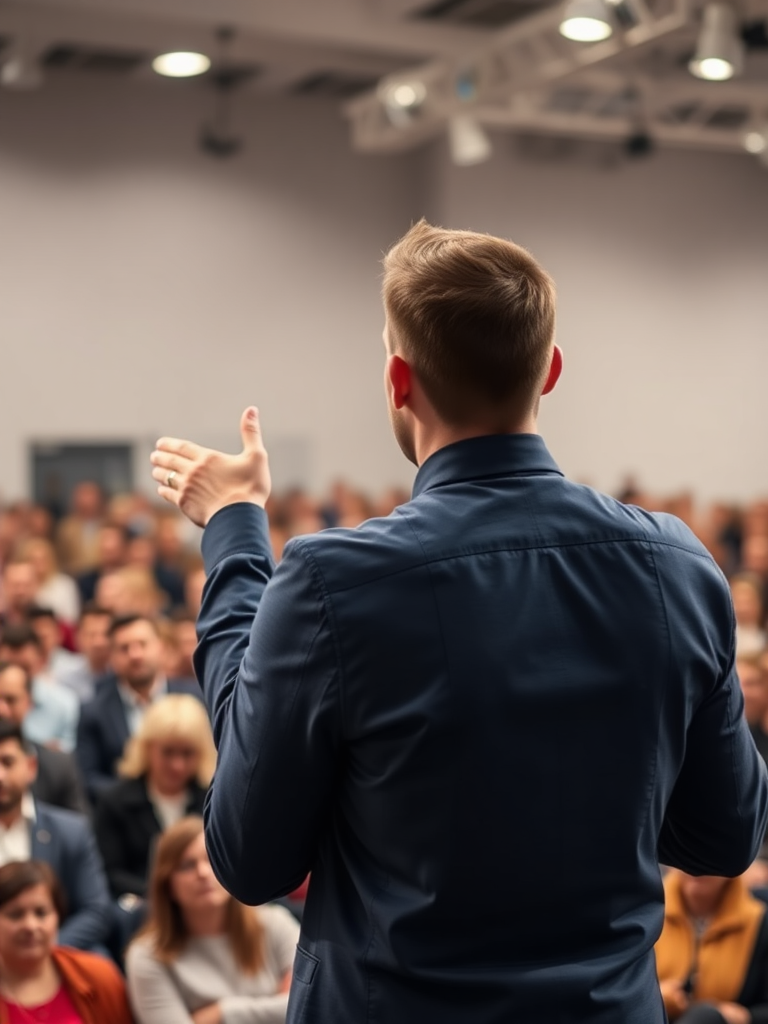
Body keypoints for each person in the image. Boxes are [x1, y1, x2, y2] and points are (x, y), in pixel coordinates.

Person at [150, 220, 768, 1023]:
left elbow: (247, 855)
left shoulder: (333, 583)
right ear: (549, 370)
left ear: (398, 380)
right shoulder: (677, 566)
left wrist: (235, 526)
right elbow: (724, 838)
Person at [125, 816, 298, 1024]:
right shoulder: (147, 956)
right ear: (167, 885)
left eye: (212, 860)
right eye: (187, 865)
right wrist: (275, 1008)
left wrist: (221, 1013)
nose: (203, 873)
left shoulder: (275, 924)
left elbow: (311, 1007)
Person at [0, 721, 111, 950]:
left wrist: (43, 949)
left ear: (31, 767)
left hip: (57, 951)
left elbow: (96, 910)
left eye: (7, 762)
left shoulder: (70, 831)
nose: (0, 775)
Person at [94, 695, 214, 902]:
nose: (178, 765)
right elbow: (109, 872)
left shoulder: (213, 801)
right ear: (147, 749)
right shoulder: (114, 802)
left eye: (187, 754)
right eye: (168, 752)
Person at [76, 615, 201, 801]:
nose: (135, 655)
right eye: (124, 648)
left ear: (160, 647)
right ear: (112, 657)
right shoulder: (94, 713)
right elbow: (88, 778)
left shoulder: (195, 700)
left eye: (142, 644)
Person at [0, 860, 133, 1024]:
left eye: (41, 913)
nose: (30, 926)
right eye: (15, 914)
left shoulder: (98, 977)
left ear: (58, 916)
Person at [655, 870, 768, 1023]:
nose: (697, 868)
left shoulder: (759, 923)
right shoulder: (648, 915)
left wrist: (745, 1016)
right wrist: (655, 997)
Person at [0, 662, 88, 815]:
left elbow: (79, 831)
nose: (2, 709)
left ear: (29, 703)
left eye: (10, 700)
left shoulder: (57, 766)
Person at [0, 626, 79, 753]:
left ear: (41, 661)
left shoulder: (65, 703)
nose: (16, 675)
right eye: (8, 666)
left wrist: (49, 754)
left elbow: (75, 750)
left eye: (25, 668)